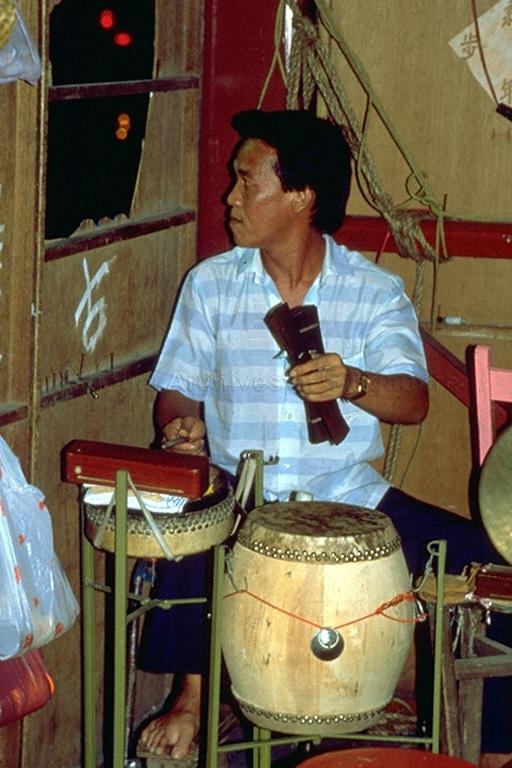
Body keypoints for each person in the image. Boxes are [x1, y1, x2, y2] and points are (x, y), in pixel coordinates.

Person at [137, 109, 511, 766]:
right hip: (242, 495)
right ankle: (191, 700)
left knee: (493, 569)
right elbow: (178, 386)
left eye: (247, 181)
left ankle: (496, 751)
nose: (230, 197)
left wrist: (353, 382)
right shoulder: (212, 285)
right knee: (190, 518)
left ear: (302, 196)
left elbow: (414, 401)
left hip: (349, 500)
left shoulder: (373, 292)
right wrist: (179, 424)